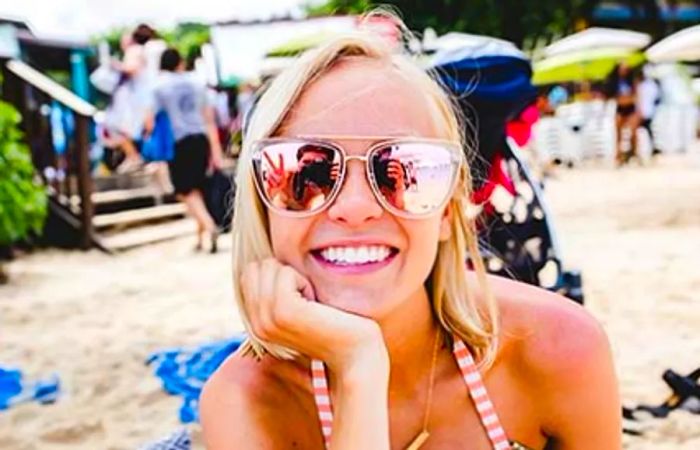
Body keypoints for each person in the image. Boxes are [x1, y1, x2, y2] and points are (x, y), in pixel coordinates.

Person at [200, 16, 621, 450]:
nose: (355, 208)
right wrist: (357, 365)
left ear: (448, 208)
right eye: (306, 172)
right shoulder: (246, 401)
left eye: (405, 172)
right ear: (260, 204)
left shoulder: (561, 348)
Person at [145, 48, 224, 253]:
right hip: (201, 140)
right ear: (179, 63)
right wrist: (216, 151)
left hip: (179, 142)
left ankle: (209, 226)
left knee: (185, 190)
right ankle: (200, 238)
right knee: (197, 186)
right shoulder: (197, 83)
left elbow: (149, 120)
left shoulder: (159, 86)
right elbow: (209, 119)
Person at [606, 63, 640, 165]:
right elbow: (614, 97)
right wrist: (624, 99)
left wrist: (625, 99)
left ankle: (633, 154)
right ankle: (619, 156)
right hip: (620, 108)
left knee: (633, 132)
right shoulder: (615, 83)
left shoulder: (631, 82)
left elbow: (635, 96)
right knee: (618, 134)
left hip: (630, 108)